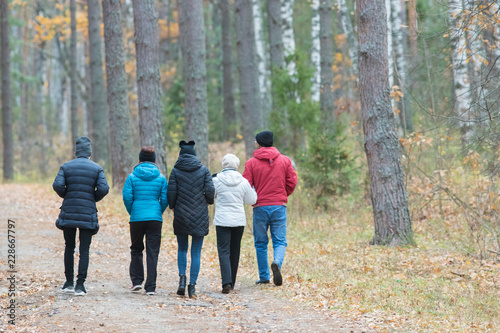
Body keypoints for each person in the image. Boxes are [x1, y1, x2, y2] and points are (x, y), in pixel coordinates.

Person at [53, 136, 109, 296]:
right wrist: (92, 198)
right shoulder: (97, 168)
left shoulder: (66, 166)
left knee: (69, 247)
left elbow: (57, 185)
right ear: (89, 152)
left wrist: (66, 195)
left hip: (69, 211)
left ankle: (68, 282)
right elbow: (104, 189)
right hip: (87, 212)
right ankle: (80, 285)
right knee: (84, 249)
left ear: (76, 152)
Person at [243, 131, 297, 286]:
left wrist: (254, 198)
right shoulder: (285, 161)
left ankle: (264, 276)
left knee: (260, 243)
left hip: (260, 207)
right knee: (279, 241)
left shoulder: (251, 163)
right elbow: (292, 181)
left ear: (259, 143)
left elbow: (246, 186)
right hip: (279, 206)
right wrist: (283, 194)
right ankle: (277, 263)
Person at [167, 141, 215, 298]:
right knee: (196, 252)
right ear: (194, 154)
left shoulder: (175, 171)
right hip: (200, 215)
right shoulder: (204, 170)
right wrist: (208, 202)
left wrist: (173, 206)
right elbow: (210, 191)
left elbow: (171, 193)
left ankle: (181, 280)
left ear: (180, 155)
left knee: (182, 248)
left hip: (181, 215)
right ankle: (192, 287)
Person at [122, 146, 168, 296]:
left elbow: (127, 198)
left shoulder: (132, 177)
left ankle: (136, 282)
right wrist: (158, 211)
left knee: (136, 249)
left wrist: (133, 211)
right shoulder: (161, 177)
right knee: (152, 252)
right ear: (154, 160)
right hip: (155, 218)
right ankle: (151, 287)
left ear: (140, 159)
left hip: (137, 218)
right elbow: (165, 198)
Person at [213, 154, 257, 294]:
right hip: (238, 221)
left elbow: (209, 196)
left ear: (223, 164)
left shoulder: (216, 180)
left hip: (222, 220)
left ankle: (226, 282)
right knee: (235, 250)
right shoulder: (244, 182)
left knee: (223, 250)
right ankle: (232, 282)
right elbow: (252, 200)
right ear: (237, 165)